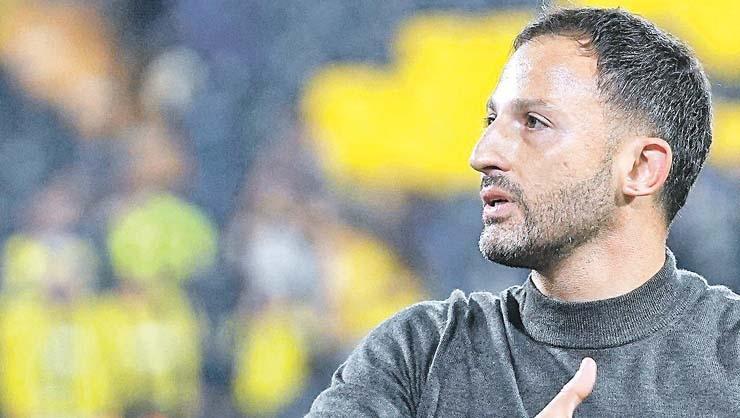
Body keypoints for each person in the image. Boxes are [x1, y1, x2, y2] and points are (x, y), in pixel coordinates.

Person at [307, 7, 734, 417]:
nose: (482, 154)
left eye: (534, 122)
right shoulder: (416, 355)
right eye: (491, 121)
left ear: (640, 168)